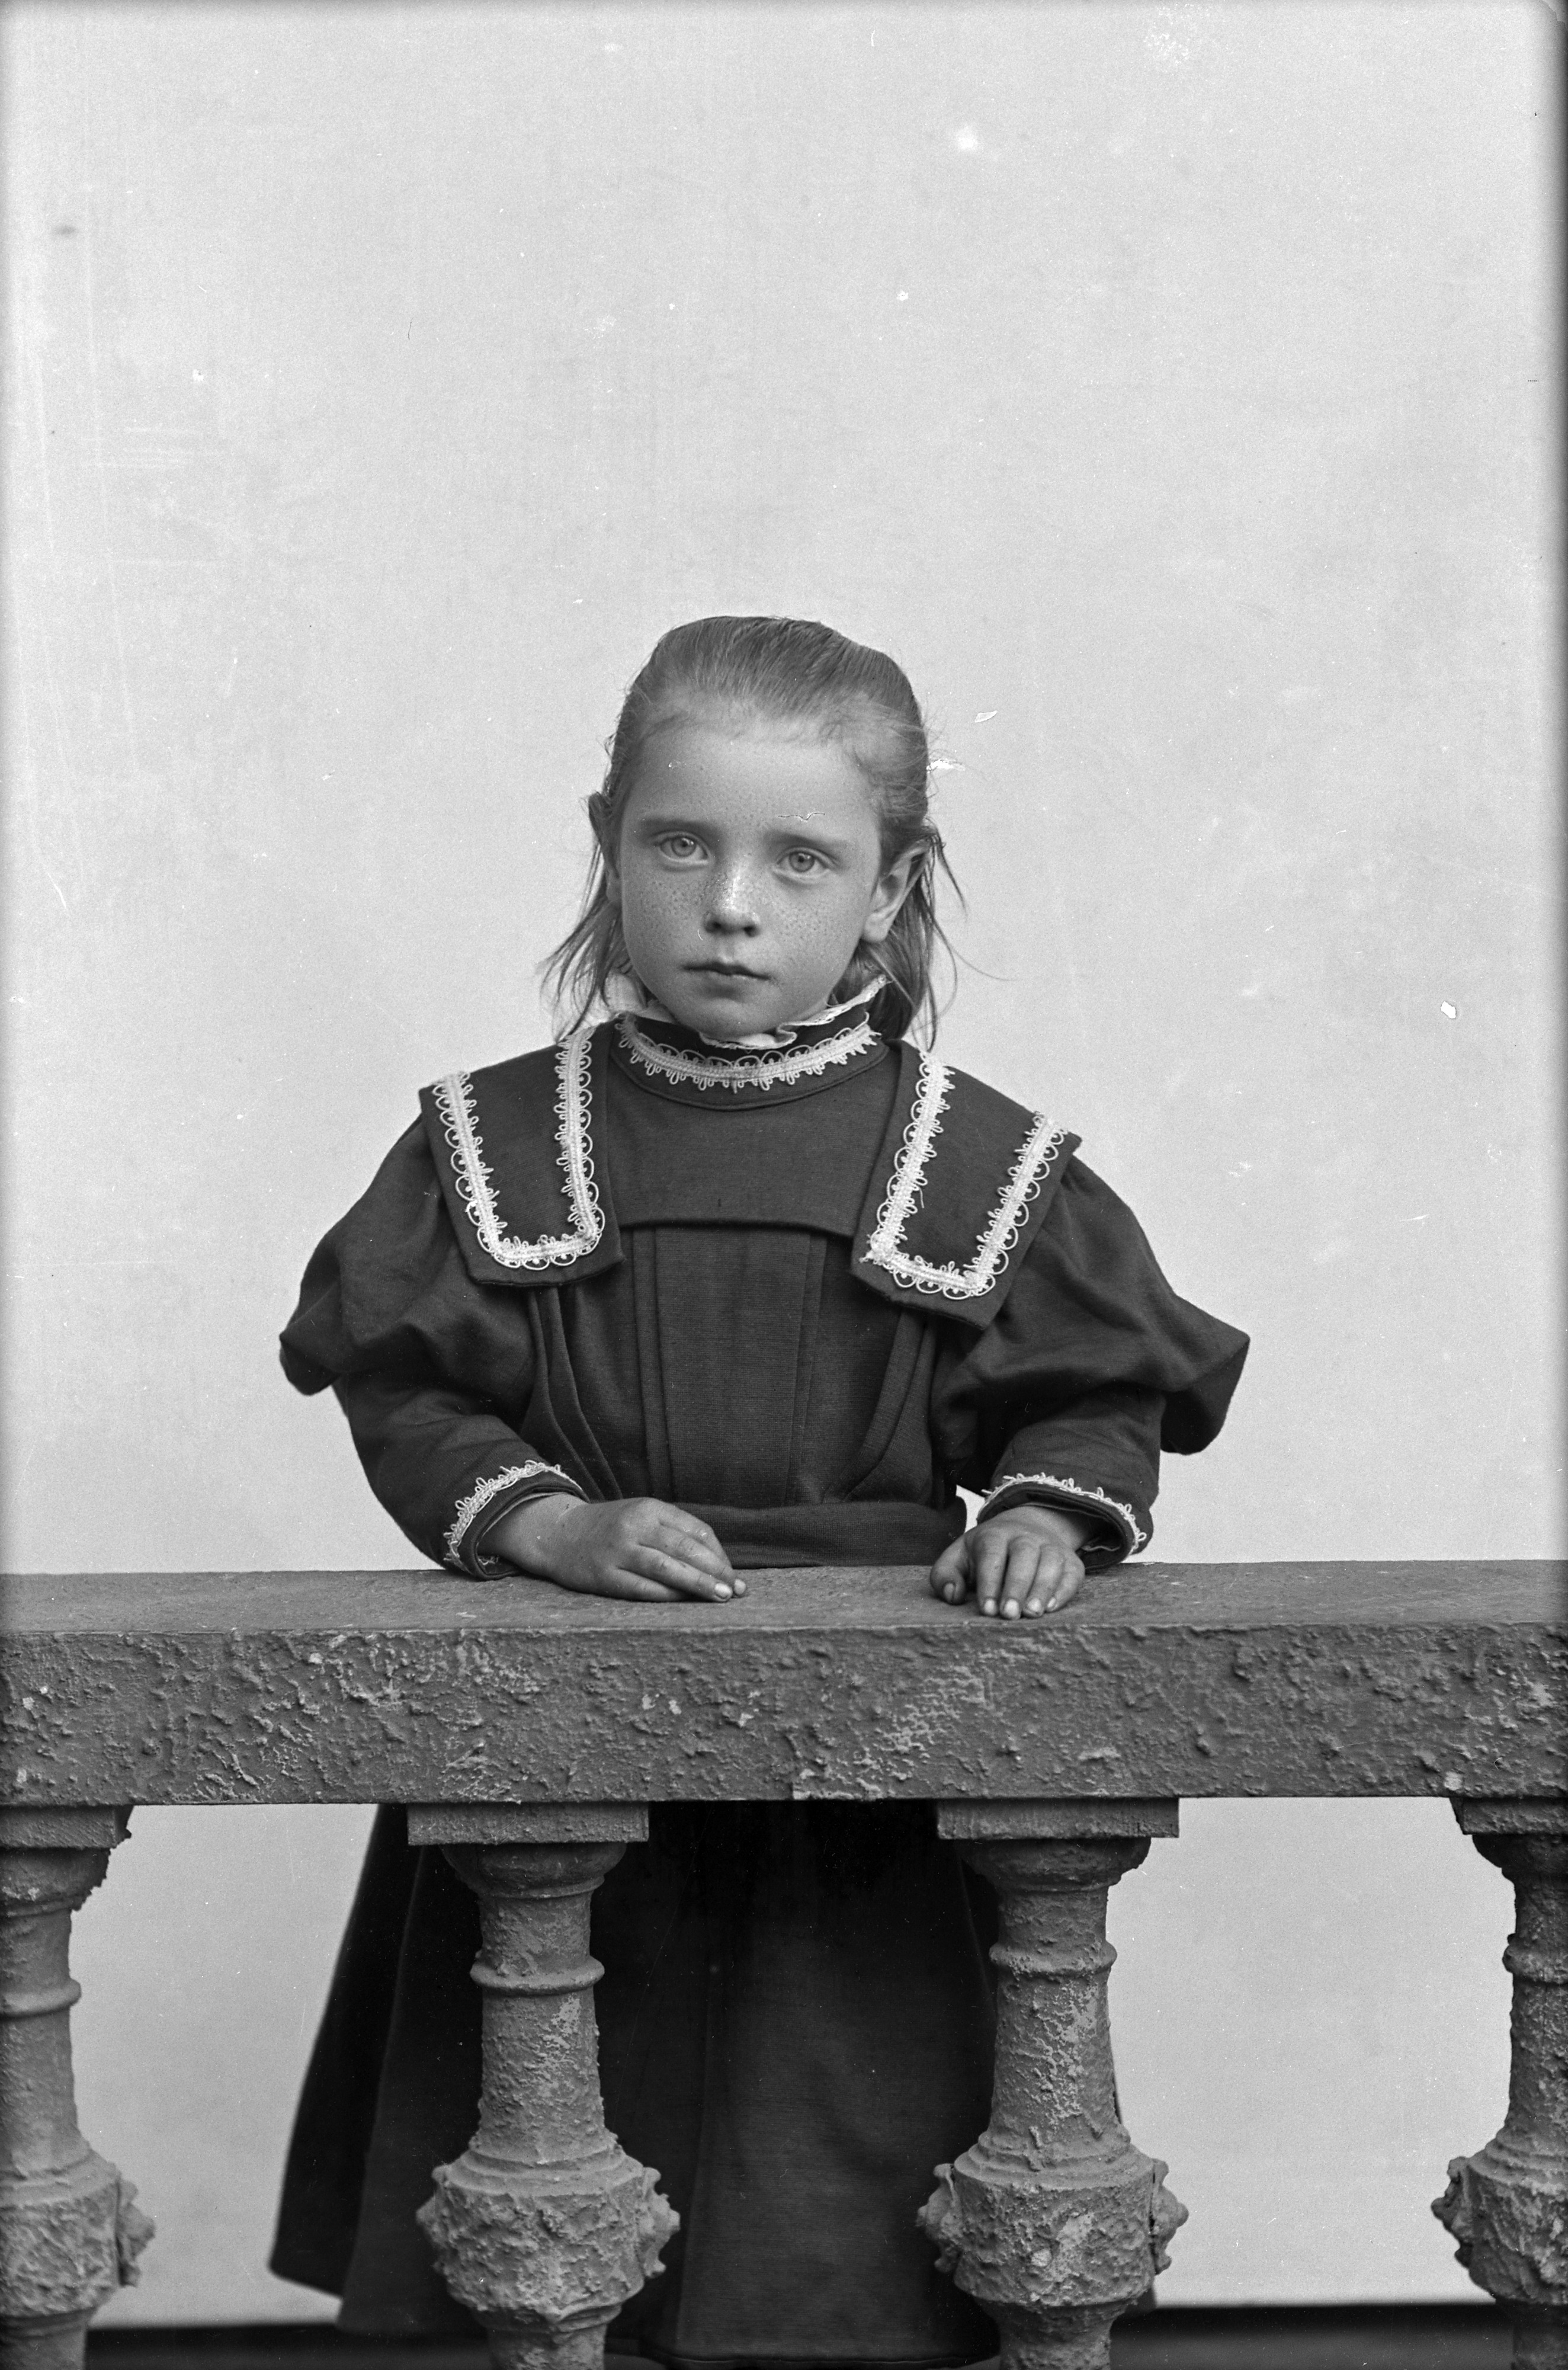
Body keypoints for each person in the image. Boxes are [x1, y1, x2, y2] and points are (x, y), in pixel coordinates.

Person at [271, 616, 1248, 2363]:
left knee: (848, 2199)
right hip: (566, 1738)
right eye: (681, 845)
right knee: (547, 2190)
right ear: (607, 842)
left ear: (889, 886)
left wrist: (1042, 1513)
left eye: (799, 859)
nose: (731, 905)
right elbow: (405, 1385)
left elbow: (1098, 1390)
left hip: (864, 1765)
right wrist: (549, 1524)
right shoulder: (491, 1146)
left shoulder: (980, 1161)